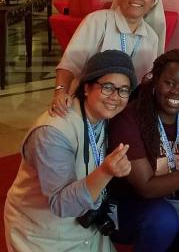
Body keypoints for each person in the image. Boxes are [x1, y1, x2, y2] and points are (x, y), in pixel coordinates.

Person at [4, 50, 136, 251]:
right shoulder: (52, 132)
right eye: (107, 87)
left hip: (86, 227)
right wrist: (106, 172)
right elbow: (61, 204)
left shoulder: (105, 118)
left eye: (124, 90)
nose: (115, 97)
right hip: (42, 233)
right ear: (86, 88)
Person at [108, 49, 179, 252]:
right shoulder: (129, 119)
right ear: (154, 81)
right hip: (129, 209)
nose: (176, 91)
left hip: (177, 204)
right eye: (169, 83)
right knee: (163, 218)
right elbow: (146, 188)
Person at [50, 0, 165, 116]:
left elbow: (146, 82)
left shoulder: (151, 37)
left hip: (126, 109)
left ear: (154, 0)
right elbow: (70, 63)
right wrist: (60, 93)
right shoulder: (97, 21)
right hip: (88, 107)